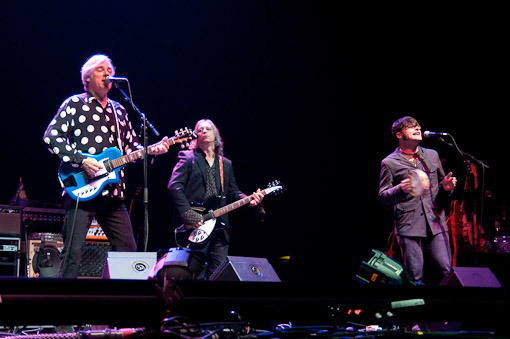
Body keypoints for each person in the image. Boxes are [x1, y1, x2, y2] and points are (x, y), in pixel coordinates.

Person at [43, 54, 169, 278]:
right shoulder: (74, 104)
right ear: (88, 77)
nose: (107, 73)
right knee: (73, 253)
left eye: (109, 69)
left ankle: (106, 298)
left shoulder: (119, 110)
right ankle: (62, 308)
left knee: (128, 252)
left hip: (112, 193)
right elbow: (51, 138)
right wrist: (81, 159)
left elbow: (132, 149)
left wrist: (153, 149)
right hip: (81, 191)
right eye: (101, 69)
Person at [167, 119, 266, 278]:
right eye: (199, 130)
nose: (203, 132)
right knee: (191, 273)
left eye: (208, 129)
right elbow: (174, 186)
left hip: (220, 227)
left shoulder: (225, 164)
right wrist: (188, 215)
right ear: (196, 137)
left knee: (219, 275)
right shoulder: (187, 157)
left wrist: (251, 199)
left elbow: (234, 193)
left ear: (216, 136)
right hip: (195, 224)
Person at [378, 116, 457, 286]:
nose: (417, 129)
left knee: (445, 269)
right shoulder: (390, 162)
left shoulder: (431, 155)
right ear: (399, 134)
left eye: (418, 126)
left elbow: (443, 185)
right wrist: (401, 188)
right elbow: (383, 196)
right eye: (411, 127)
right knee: (415, 276)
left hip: (435, 220)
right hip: (408, 223)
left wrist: (447, 187)